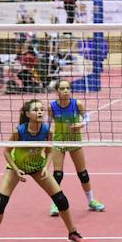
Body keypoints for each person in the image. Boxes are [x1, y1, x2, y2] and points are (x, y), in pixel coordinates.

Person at [0, 99, 87, 242]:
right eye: (35, 110)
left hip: (38, 167)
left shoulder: (47, 131)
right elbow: (6, 151)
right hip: (16, 167)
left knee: (61, 199)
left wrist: (46, 167)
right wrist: (15, 169)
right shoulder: (18, 131)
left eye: (41, 109)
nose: (40, 112)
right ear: (27, 114)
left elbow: (49, 150)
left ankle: (72, 233)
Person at [49, 80, 105, 215]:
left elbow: (87, 118)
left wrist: (81, 125)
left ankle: (91, 201)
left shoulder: (77, 104)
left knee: (83, 173)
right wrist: (47, 141)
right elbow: (48, 123)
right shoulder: (52, 107)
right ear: (57, 91)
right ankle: (55, 204)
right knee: (57, 174)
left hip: (75, 142)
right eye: (62, 88)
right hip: (59, 143)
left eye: (68, 88)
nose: (66, 91)